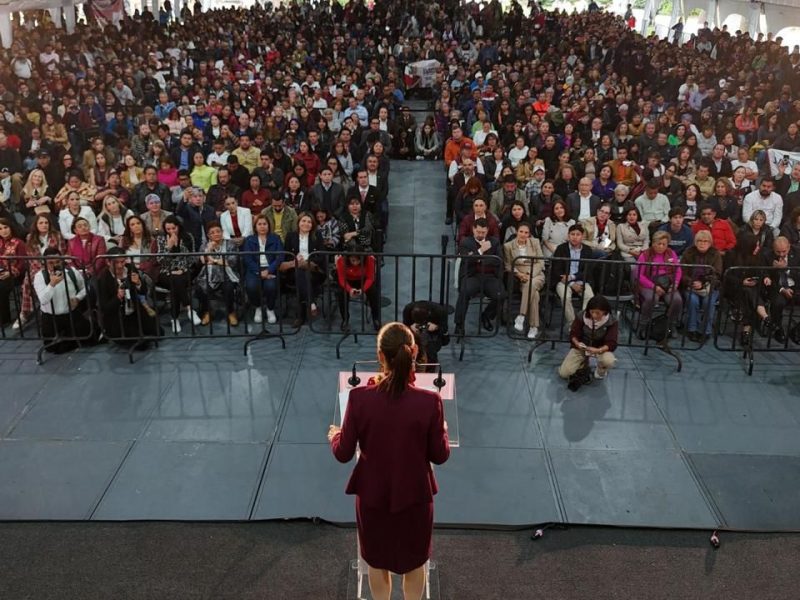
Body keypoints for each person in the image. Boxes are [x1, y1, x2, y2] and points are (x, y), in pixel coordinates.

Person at [328, 322, 449, 600]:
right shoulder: (430, 402)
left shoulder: (358, 399)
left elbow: (343, 453)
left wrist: (335, 436)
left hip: (373, 499)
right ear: (414, 352)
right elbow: (440, 456)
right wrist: (442, 430)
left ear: (380, 356)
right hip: (415, 499)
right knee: (415, 563)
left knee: (376, 562)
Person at [33, 248, 95, 354]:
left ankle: (70, 338)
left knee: (90, 338)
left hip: (71, 314)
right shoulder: (40, 277)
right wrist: (52, 284)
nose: (55, 265)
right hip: (50, 317)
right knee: (51, 348)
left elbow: (86, 287)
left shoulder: (71, 272)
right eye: (51, 263)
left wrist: (78, 298)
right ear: (45, 263)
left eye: (58, 262)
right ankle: (68, 339)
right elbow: (43, 300)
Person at [96, 247, 161, 343]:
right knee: (141, 343)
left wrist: (139, 283)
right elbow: (104, 308)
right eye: (116, 263)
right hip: (117, 317)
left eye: (122, 262)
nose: (120, 266)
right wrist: (117, 298)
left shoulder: (130, 268)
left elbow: (143, 291)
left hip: (134, 311)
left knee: (158, 332)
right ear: (108, 262)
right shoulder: (103, 279)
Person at [454, 218, 506, 335]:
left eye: (483, 232)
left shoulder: (494, 242)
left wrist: (478, 259)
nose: (480, 234)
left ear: (487, 231)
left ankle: (486, 316)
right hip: (472, 276)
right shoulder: (466, 242)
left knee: (501, 295)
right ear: (473, 229)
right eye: (478, 232)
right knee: (464, 292)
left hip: (490, 276)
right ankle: (459, 324)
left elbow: (499, 260)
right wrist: (481, 251)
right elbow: (466, 259)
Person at [559, 295, 618, 386]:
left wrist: (598, 350)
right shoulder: (581, 316)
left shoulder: (612, 320)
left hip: (601, 349)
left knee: (608, 360)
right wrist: (577, 343)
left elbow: (612, 342)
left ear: (604, 311)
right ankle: (582, 364)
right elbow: (573, 334)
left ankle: (601, 370)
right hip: (582, 347)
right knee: (564, 373)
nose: (594, 315)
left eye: (598, 313)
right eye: (592, 312)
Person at [154, 215, 200, 333]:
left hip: (185, 270)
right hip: (166, 271)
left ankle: (174, 319)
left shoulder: (188, 237)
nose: (171, 231)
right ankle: (189, 309)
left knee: (176, 282)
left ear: (178, 227)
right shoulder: (161, 239)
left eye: (173, 228)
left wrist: (182, 269)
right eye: (168, 229)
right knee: (176, 280)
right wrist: (168, 248)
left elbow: (192, 258)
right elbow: (160, 260)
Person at [281, 212, 326, 327]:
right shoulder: (291, 236)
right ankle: (311, 302)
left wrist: (307, 261)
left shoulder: (317, 235)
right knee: (300, 274)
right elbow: (286, 256)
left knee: (302, 274)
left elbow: (321, 256)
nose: (306, 224)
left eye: (309, 222)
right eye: (303, 221)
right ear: (298, 223)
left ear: (312, 224)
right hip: (294, 269)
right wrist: (295, 259)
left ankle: (300, 316)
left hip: (314, 270)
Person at [637, 231, 683, 339]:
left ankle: (671, 324)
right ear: (653, 243)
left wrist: (675, 283)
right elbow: (639, 275)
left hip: (668, 283)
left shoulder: (671, 253)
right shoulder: (645, 255)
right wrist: (654, 287)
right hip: (649, 283)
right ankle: (643, 325)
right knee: (651, 298)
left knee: (677, 300)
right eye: (659, 244)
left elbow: (678, 270)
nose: (661, 246)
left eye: (664, 244)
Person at [504, 222, 544, 339]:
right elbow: (508, 265)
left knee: (531, 285)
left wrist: (529, 274)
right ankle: (533, 327)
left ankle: (521, 315)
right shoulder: (508, 246)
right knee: (534, 295)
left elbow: (540, 262)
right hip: (521, 277)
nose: (523, 234)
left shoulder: (535, 242)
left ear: (529, 234)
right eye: (521, 231)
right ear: (517, 232)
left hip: (536, 274)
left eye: (526, 232)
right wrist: (519, 274)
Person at [195, 222, 241, 327]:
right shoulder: (205, 245)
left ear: (222, 232)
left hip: (227, 274)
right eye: (212, 233)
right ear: (208, 235)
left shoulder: (230, 244)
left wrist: (213, 261)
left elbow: (231, 261)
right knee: (200, 287)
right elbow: (203, 261)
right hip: (208, 275)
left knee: (229, 288)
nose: (216, 234)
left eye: (218, 231)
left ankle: (231, 312)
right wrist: (208, 250)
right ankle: (207, 312)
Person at [681, 230, 722, 343]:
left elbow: (717, 274)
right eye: (699, 241)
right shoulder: (688, 252)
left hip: (710, 286)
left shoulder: (715, 254)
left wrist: (703, 283)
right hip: (691, 285)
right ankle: (692, 329)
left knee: (708, 302)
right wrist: (692, 282)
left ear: (710, 243)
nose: (702, 243)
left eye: (705, 241)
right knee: (693, 301)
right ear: (695, 242)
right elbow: (682, 273)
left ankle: (705, 331)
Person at [243, 214, 283, 325]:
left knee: (271, 286)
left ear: (268, 226)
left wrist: (269, 270)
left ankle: (270, 308)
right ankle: (258, 307)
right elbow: (247, 259)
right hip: (254, 269)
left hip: (270, 268)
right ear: (255, 227)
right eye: (259, 224)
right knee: (251, 286)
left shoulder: (275, 238)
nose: (262, 226)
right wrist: (259, 272)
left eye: (264, 224)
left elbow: (280, 257)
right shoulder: (249, 240)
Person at [552, 224, 594, 326]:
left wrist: (572, 277)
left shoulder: (588, 250)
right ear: (568, 236)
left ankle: (582, 323)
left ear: (582, 236)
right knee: (565, 297)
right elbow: (556, 269)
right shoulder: (561, 248)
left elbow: (588, 270)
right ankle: (572, 324)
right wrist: (571, 283)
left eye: (578, 234)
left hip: (581, 280)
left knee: (590, 296)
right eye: (572, 234)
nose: (575, 237)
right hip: (563, 281)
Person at [760, 237, 800, 344]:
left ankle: (797, 331)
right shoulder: (767, 255)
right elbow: (764, 275)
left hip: (796, 287)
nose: (781, 254)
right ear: (773, 248)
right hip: (777, 288)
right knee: (777, 302)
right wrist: (782, 289)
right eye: (778, 252)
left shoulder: (798, 253)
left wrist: (787, 269)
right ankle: (777, 329)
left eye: (784, 251)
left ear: (789, 247)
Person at [336, 248, 381, 331]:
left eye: (359, 260)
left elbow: (370, 278)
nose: (356, 263)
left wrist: (362, 289)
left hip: (363, 279)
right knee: (341, 293)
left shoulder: (369, 259)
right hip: (348, 281)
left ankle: (376, 318)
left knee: (373, 291)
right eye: (353, 260)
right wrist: (350, 289)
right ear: (349, 258)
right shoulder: (341, 260)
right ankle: (345, 319)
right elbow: (342, 279)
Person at [402, 301, 449, 366]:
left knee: (429, 349)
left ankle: (430, 366)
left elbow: (444, 329)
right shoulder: (408, 309)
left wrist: (436, 327)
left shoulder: (440, 311)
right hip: (414, 335)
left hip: (433, 336)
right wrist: (410, 327)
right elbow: (404, 327)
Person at [0, 218, 27, 328]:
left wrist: (10, 272)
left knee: (1, 287)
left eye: (5, 227)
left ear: (10, 228)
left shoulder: (19, 243)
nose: (3, 231)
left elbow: (23, 263)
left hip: (17, 274)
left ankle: (4, 319)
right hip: (2, 272)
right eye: (0, 229)